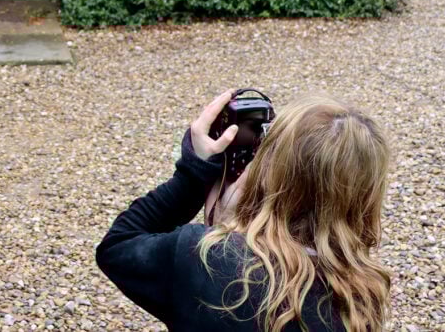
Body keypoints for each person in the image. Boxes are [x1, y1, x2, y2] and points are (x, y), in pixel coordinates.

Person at [96, 90, 391, 332]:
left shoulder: (205, 259)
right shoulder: (363, 294)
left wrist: (193, 178)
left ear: (269, 173)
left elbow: (117, 245)